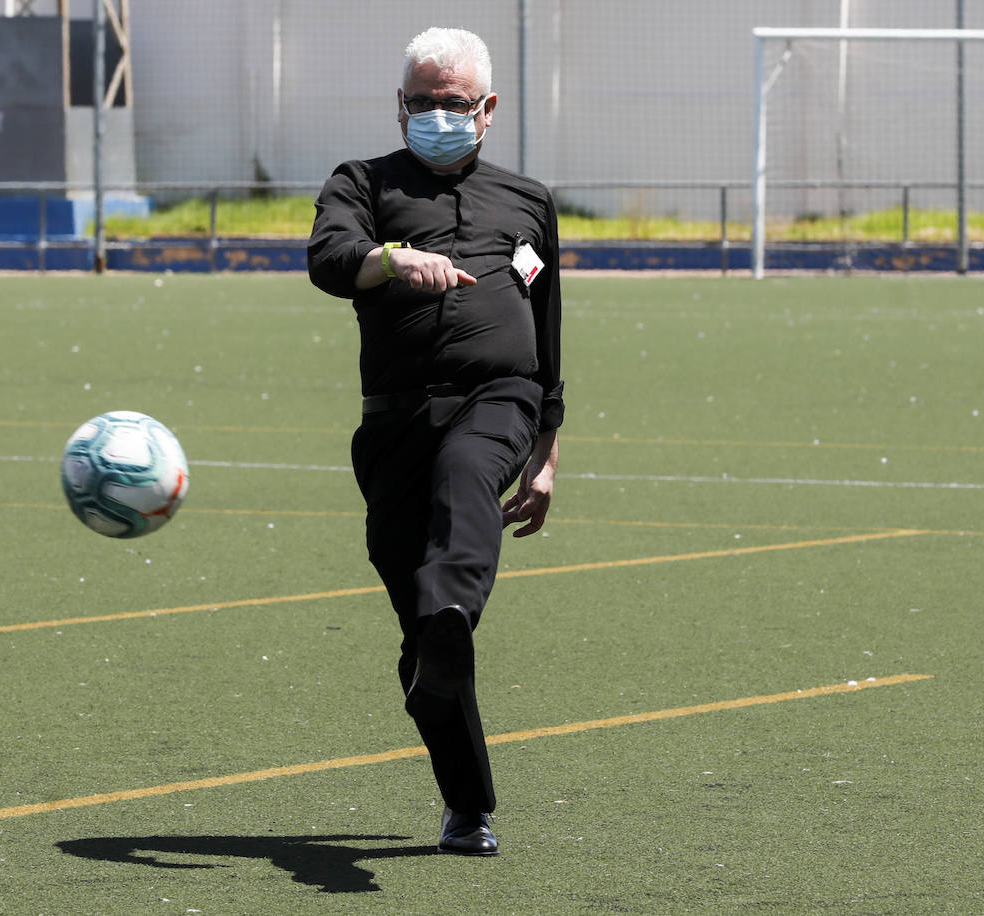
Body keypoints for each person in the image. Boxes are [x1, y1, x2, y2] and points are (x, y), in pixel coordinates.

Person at [307, 26, 564, 857]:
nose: (436, 117)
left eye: (453, 105)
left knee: (465, 482)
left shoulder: (527, 201)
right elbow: (328, 255)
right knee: (425, 648)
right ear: (400, 106)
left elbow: (549, 322)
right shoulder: (363, 181)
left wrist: (548, 446)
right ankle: (466, 807)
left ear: (486, 110)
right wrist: (390, 260)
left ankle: (454, 606)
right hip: (394, 423)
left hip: (500, 400)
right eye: (421, 104)